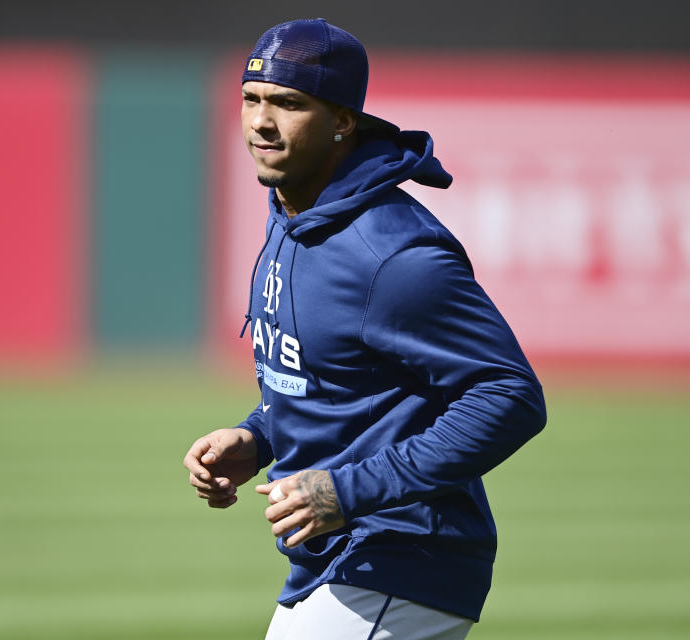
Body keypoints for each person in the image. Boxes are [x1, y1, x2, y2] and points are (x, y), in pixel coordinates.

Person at [183, 17, 547, 640]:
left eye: (289, 103)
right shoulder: (294, 216)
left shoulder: (394, 255)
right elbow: (339, 384)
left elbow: (510, 395)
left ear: (343, 121)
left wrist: (346, 492)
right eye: (252, 98)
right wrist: (258, 436)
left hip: (400, 557)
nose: (261, 122)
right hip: (337, 562)